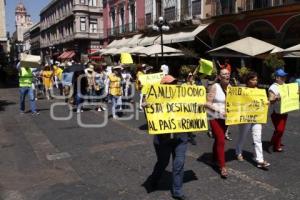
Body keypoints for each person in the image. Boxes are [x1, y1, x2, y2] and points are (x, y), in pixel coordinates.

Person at [147, 75, 189, 200]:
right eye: (169, 84)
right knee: (163, 163)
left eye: (174, 83)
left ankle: (177, 191)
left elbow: (193, 108)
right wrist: (146, 105)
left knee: (179, 164)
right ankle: (154, 179)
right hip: (163, 139)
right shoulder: (155, 99)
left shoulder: (182, 97)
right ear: (163, 86)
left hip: (180, 137)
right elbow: (150, 115)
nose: (172, 86)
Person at [235, 72, 270, 169]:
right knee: (242, 136)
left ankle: (260, 160)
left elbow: (264, 103)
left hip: (257, 117)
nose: (255, 81)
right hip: (245, 118)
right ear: (248, 80)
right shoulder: (242, 90)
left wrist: (267, 102)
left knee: (258, 138)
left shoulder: (259, 92)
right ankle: (238, 152)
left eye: (256, 80)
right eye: (253, 79)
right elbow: (235, 102)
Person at [205, 68, 231, 178]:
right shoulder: (215, 87)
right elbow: (207, 103)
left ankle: (214, 158)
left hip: (225, 119)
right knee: (221, 139)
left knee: (217, 140)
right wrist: (218, 110)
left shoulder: (231, 88)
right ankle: (222, 166)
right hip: (214, 117)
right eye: (224, 74)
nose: (227, 75)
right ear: (219, 77)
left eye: (228, 73)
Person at [268, 68, 289, 152]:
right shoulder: (273, 87)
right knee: (279, 130)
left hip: (285, 110)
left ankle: (275, 142)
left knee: (281, 130)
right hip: (276, 112)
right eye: (282, 76)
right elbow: (271, 100)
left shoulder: (285, 85)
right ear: (277, 78)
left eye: (285, 76)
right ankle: (275, 144)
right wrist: (277, 98)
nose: (284, 78)